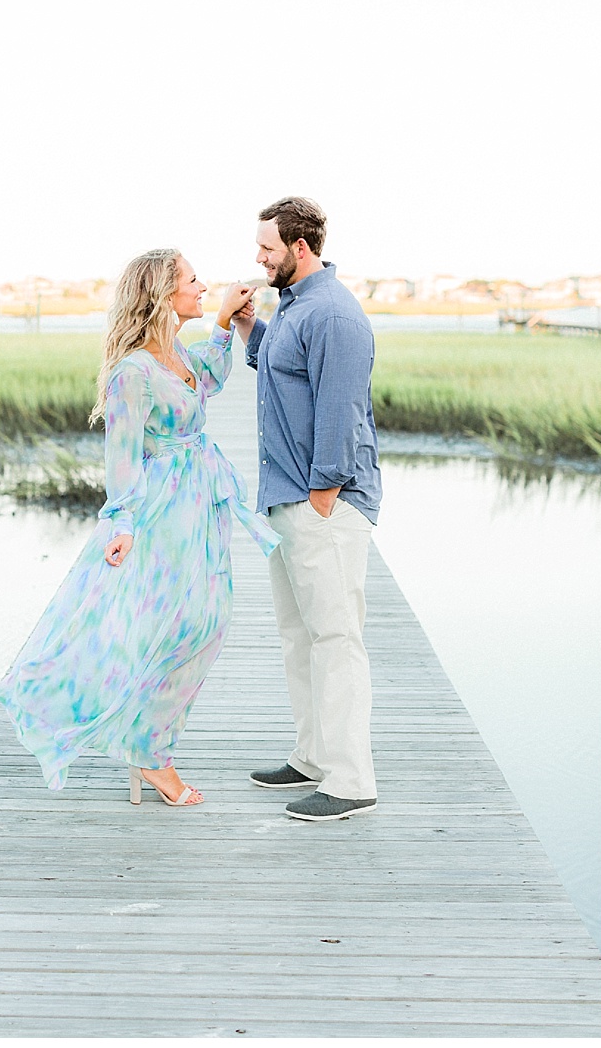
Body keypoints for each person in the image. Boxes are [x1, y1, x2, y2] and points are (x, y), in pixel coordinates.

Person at [0, 249, 277, 806]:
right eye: (193, 281)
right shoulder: (133, 372)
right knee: (173, 624)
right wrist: (120, 522)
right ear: (163, 295)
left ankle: (145, 740)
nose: (203, 287)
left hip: (201, 505)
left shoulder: (175, 354)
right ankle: (150, 751)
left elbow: (209, 383)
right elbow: (121, 457)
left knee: (208, 619)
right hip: (163, 512)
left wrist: (223, 323)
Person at [236, 196, 382, 822]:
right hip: (287, 499)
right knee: (301, 636)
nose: (258, 258)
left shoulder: (335, 314)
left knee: (335, 638)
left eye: (267, 248)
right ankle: (312, 757)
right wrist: (249, 328)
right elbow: (282, 370)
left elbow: (341, 409)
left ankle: (349, 782)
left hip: (323, 503)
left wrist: (324, 492)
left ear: (300, 248)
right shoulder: (294, 308)